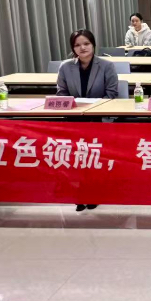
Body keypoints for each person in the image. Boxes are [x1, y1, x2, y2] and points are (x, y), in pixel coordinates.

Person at [56, 29, 119, 212]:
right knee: (77, 156)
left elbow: (111, 95)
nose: (82, 48)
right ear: (72, 48)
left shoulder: (106, 66)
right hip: (74, 119)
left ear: (93, 45)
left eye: (86, 44)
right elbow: (61, 94)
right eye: (77, 45)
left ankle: (93, 191)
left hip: (99, 118)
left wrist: (91, 108)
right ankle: (81, 191)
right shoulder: (65, 67)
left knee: (94, 155)